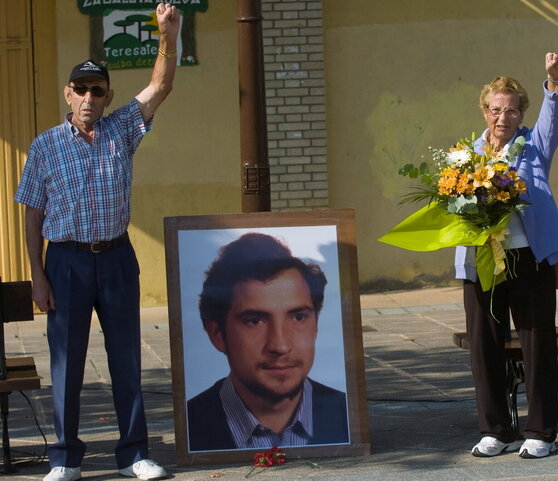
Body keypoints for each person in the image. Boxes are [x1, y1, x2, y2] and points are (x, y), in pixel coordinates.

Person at [13, 4, 180, 481]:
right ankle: (66, 459)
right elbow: (32, 213)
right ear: (68, 93)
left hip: (117, 258)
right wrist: (37, 275)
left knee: (126, 358)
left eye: (97, 90)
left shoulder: (122, 130)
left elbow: (160, 86)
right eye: (81, 88)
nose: (88, 97)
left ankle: (134, 455)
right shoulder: (45, 146)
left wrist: (167, 37)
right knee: (66, 363)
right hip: (65, 262)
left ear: (108, 98)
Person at [457, 52, 558, 459]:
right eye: (495, 109)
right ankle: (497, 430)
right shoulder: (466, 156)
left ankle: (540, 431)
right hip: (481, 260)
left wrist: (554, 83)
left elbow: (552, 123)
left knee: (536, 344)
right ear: (484, 111)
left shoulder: (533, 146)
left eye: (510, 110)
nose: (502, 117)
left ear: (521, 113)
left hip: (528, 258)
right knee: (484, 346)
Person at [187, 232, 350, 451]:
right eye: (255, 321)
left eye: (298, 317)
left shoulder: (348, 416)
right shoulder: (190, 427)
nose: (280, 346)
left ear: (316, 325)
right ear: (217, 334)